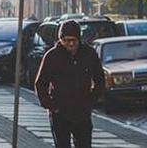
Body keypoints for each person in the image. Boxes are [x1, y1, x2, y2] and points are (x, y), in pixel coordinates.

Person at [34, 20, 104, 148]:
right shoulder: (52, 56)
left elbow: (100, 80)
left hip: (82, 111)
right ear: (60, 39)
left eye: (74, 40)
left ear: (79, 39)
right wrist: (51, 106)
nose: (70, 44)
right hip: (60, 112)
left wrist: (91, 101)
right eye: (66, 40)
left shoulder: (89, 54)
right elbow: (40, 83)